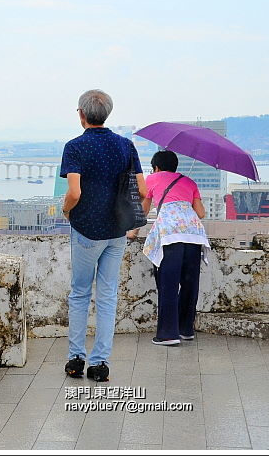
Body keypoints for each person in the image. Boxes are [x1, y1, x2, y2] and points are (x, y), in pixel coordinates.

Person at [60, 89, 146, 383]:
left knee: (81, 293)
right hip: (116, 230)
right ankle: (100, 364)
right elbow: (143, 191)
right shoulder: (126, 146)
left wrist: (66, 210)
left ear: (81, 114)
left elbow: (74, 192)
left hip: (86, 229)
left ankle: (76, 359)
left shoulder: (75, 147)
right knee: (107, 296)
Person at [129, 150, 209, 346]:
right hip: (194, 234)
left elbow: (144, 210)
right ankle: (185, 329)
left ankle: (167, 334)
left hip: (170, 235)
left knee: (168, 283)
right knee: (190, 283)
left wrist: (133, 233)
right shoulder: (189, 182)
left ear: (156, 167)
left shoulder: (153, 178)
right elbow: (201, 212)